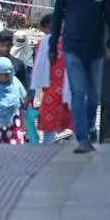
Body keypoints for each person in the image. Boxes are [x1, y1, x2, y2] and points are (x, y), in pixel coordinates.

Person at [50, 0, 110, 153]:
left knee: (94, 97)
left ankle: (87, 129)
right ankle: (82, 138)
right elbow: (56, 18)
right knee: (79, 93)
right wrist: (53, 46)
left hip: (96, 50)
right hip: (72, 49)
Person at [31, 13, 73, 144]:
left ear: (49, 26)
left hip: (51, 93)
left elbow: (38, 69)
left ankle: (46, 155)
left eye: (45, 31)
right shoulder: (72, 41)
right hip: (71, 92)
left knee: (49, 130)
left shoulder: (43, 44)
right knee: (77, 124)